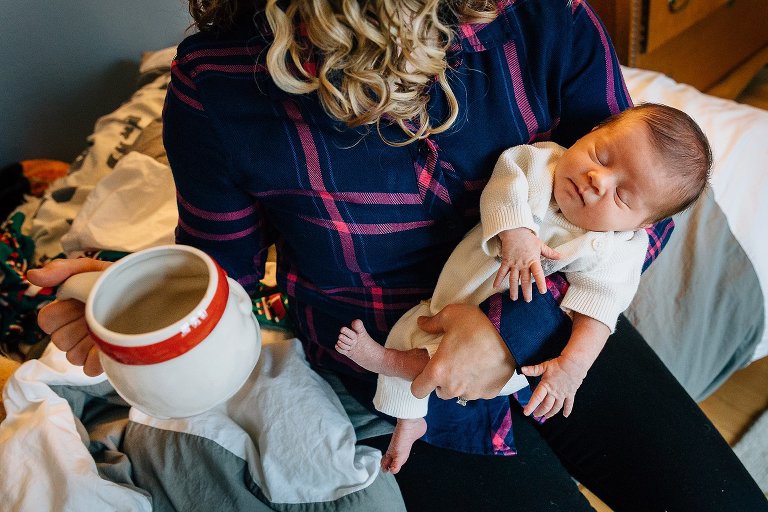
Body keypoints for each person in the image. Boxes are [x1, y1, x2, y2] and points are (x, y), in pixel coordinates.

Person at [27, 0, 768, 510]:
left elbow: (642, 210)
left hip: (551, 327)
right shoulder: (218, 85)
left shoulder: (543, 18)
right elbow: (225, 272)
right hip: (394, 365)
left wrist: (505, 333)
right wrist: (127, 293)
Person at [335, 102, 711, 474]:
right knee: (409, 329)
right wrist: (516, 232)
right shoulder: (541, 164)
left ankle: (388, 363)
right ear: (593, 132)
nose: (599, 179)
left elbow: (599, 310)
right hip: (448, 296)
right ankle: (409, 421)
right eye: (601, 155)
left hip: (509, 351)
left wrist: (573, 367)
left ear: (641, 225)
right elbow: (505, 184)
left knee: (426, 354)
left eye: (622, 197)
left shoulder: (617, 247)